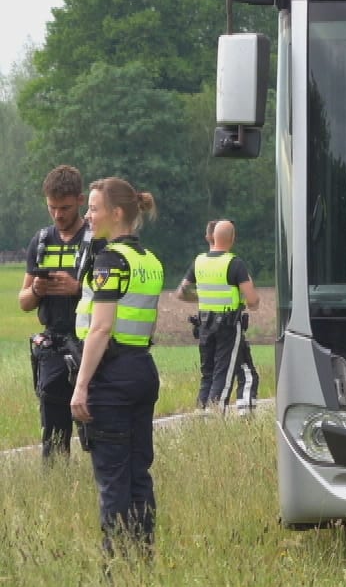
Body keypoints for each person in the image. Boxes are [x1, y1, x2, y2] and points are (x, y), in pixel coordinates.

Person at [70, 178, 165, 558]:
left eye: (93, 208)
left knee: (112, 478)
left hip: (111, 376)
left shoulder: (111, 260)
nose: (88, 216)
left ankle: (116, 569)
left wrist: (81, 386)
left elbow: (102, 327)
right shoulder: (149, 260)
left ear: (117, 212)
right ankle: (143, 557)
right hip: (142, 368)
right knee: (138, 473)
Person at [16, 165, 90, 460]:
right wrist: (37, 290)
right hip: (53, 346)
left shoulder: (96, 241)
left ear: (80, 200)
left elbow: (114, 296)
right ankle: (57, 481)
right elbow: (23, 302)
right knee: (53, 432)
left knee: (94, 426)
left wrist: (78, 288)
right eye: (52, 208)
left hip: (89, 342)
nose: (58, 215)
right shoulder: (42, 241)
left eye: (65, 208)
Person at [177, 219, 261, 410]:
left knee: (208, 373)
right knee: (223, 373)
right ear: (232, 239)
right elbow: (253, 300)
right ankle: (214, 417)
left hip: (205, 324)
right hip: (228, 326)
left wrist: (203, 296)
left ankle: (201, 415)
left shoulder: (199, 261)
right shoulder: (235, 263)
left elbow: (181, 292)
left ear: (213, 237)